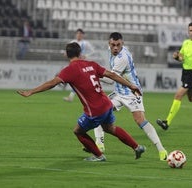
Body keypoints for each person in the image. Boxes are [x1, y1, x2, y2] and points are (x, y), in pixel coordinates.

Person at [17, 42, 146, 162]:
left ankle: (99, 156)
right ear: (80, 53)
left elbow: (52, 83)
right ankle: (137, 147)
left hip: (94, 110)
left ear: (67, 55)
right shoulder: (91, 64)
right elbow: (111, 75)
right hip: (107, 104)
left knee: (78, 131)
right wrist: (131, 86)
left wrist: (31, 91)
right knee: (110, 128)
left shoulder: (69, 70)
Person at [92, 32, 168, 161]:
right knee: (98, 111)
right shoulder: (112, 50)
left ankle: (162, 150)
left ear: (123, 44)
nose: (115, 48)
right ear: (109, 44)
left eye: (118, 45)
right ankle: (99, 144)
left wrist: (93, 75)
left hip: (132, 92)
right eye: (113, 45)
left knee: (140, 120)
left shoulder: (123, 58)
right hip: (118, 93)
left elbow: (110, 80)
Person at [63, 28, 94, 102]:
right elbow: (67, 50)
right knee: (78, 80)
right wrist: (66, 53)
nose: (78, 35)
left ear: (83, 35)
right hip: (74, 63)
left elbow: (93, 51)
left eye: (80, 34)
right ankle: (71, 96)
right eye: (77, 34)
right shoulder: (73, 42)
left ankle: (71, 95)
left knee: (79, 80)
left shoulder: (85, 43)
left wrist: (86, 55)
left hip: (81, 64)